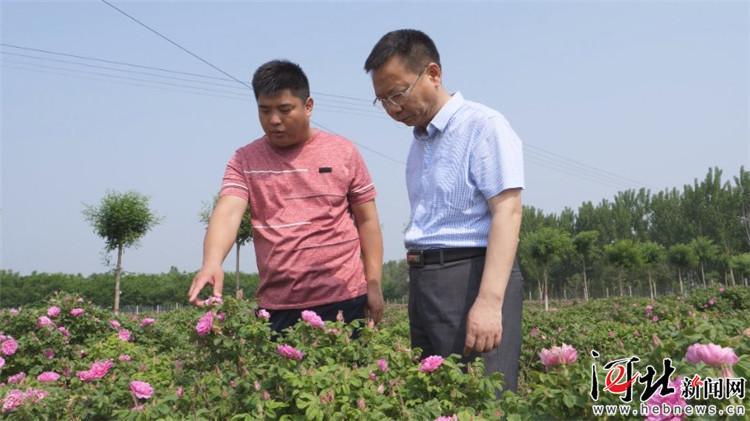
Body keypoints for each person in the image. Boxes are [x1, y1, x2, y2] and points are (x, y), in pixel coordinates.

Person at [364, 29, 524, 392]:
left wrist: (488, 302)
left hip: (469, 276)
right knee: (438, 397)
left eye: (398, 93)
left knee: (483, 400)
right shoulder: (420, 143)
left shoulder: (483, 126)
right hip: (425, 281)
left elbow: (508, 211)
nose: (392, 108)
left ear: (433, 74)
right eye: (382, 100)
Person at [188, 60, 384, 332]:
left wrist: (373, 283)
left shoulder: (343, 152)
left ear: (308, 106)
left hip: (344, 298)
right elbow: (228, 211)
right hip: (278, 307)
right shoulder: (245, 159)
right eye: (264, 110)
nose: (274, 120)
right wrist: (211, 262)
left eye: (284, 109)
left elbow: (368, 221)